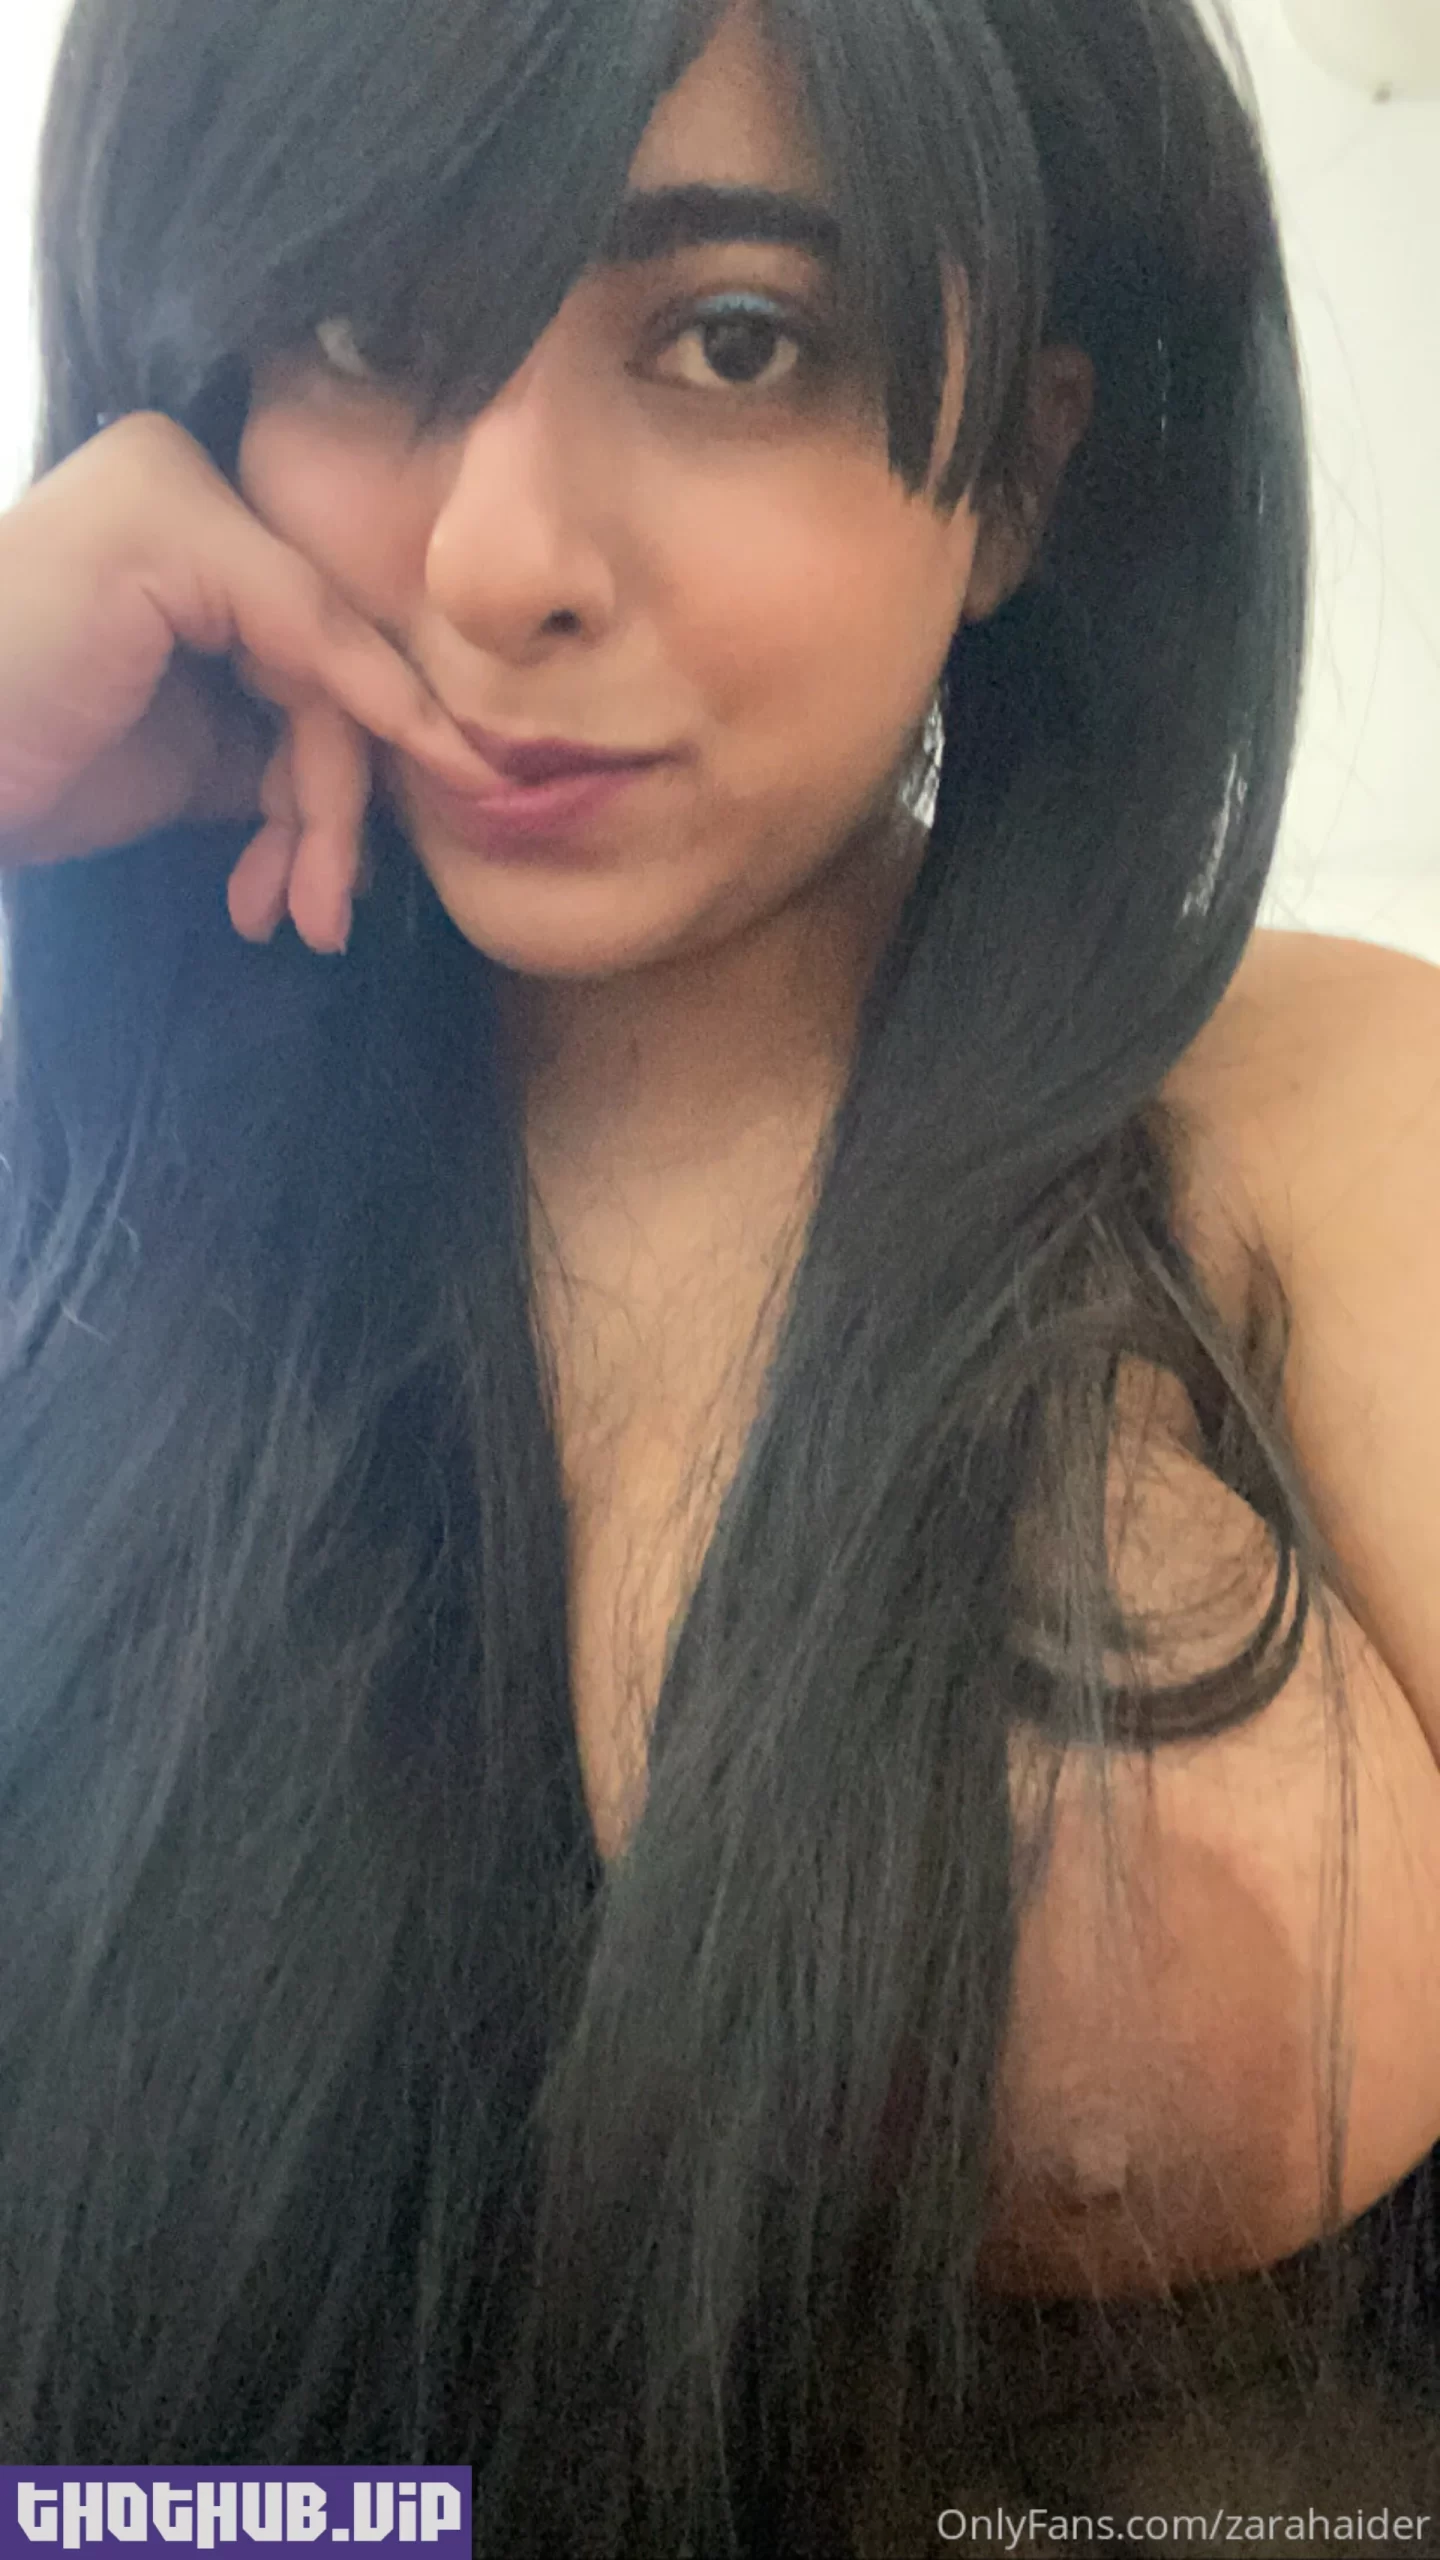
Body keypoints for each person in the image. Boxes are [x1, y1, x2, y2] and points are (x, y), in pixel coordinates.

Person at [0, 0, 1437, 2546]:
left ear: (1024, 473)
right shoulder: (87, 1183)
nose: (496, 560)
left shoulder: (1317, 1118)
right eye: (365, 320)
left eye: (738, 338)